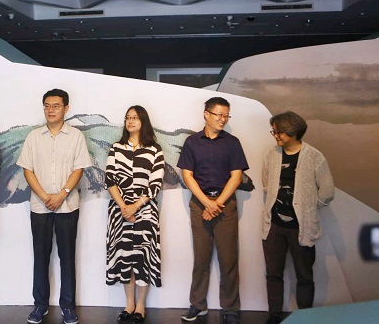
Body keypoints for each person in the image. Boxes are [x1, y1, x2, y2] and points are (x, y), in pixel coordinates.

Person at [17, 88, 92, 324]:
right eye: (47, 106)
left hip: (67, 206)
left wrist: (61, 195)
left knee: (67, 257)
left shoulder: (76, 136)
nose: (51, 110)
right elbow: (27, 169)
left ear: (66, 108)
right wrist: (44, 196)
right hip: (39, 207)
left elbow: (78, 169)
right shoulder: (33, 137)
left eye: (56, 106)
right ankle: (40, 305)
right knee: (40, 257)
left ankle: (68, 306)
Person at [177, 97, 249, 324]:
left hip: (225, 205)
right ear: (206, 114)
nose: (223, 119)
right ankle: (197, 305)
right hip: (200, 205)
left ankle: (230, 307)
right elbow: (187, 175)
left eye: (226, 115)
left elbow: (236, 176)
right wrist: (206, 203)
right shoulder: (192, 142)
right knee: (201, 258)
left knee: (229, 259)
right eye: (219, 114)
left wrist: (216, 204)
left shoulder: (233, 143)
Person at [262, 112, 335, 324]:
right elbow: (266, 182)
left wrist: (308, 208)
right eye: (274, 131)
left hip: (301, 227)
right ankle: (274, 315)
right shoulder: (271, 154)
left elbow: (327, 191)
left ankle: (305, 317)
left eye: (279, 132)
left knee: (304, 276)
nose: (275, 135)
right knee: (273, 273)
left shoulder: (314, 156)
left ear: (293, 132)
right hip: (273, 225)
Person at [105, 106, 165, 323]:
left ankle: (141, 306)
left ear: (143, 121)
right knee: (124, 257)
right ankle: (128, 304)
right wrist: (124, 207)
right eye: (127, 118)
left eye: (135, 118)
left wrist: (135, 206)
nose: (130, 121)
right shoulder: (116, 148)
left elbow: (155, 183)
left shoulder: (154, 150)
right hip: (119, 211)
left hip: (145, 211)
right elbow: (110, 180)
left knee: (143, 257)